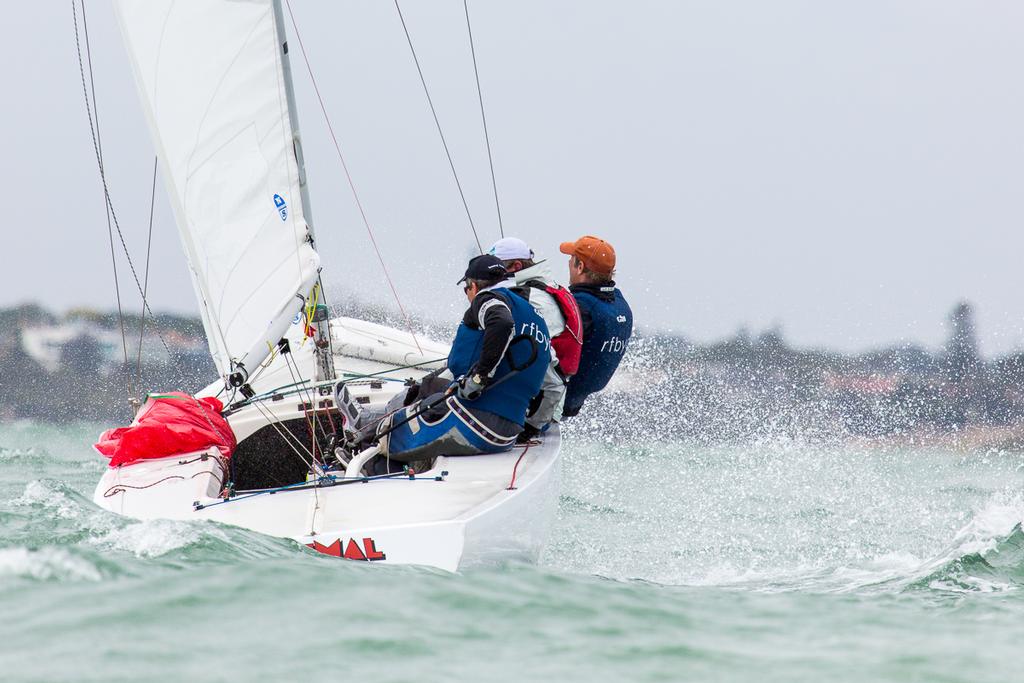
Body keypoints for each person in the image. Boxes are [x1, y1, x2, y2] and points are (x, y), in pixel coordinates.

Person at [372, 254, 552, 465]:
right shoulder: (535, 315)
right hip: (509, 432)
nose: (467, 294)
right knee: (432, 389)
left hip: (476, 421)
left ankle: (361, 452)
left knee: (387, 432)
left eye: (466, 289)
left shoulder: (488, 298)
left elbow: (501, 323)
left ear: (473, 286)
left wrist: (479, 377)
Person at [487, 237, 582, 440]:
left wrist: (532, 426)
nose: (489, 275)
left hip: (539, 409)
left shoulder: (532, 299)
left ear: (516, 266)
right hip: (543, 399)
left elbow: (547, 366)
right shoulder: (547, 285)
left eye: (495, 269)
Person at [558, 235, 633, 418]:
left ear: (580, 267)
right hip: (575, 401)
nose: (568, 263)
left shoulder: (581, 308)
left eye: (571, 259)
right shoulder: (620, 303)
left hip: (555, 401)